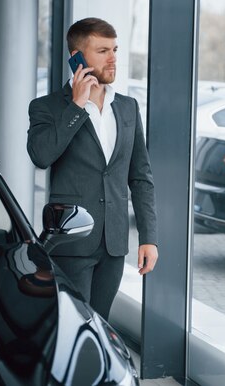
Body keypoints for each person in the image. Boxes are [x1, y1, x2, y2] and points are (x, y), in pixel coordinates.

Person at [27, 17, 158, 320]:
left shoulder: (127, 107)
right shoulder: (46, 107)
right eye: (102, 51)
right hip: (71, 243)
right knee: (71, 326)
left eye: (115, 49)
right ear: (77, 58)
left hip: (113, 246)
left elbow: (140, 177)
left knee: (100, 325)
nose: (113, 59)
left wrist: (148, 238)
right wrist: (76, 107)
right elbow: (41, 156)